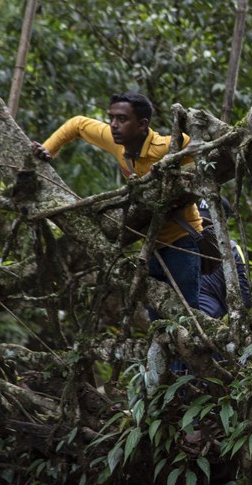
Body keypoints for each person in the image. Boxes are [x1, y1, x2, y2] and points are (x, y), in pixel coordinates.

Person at [31, 93, 202, 317]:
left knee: (186, 315)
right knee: (157, 319)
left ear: (142, 124)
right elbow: (78, 124)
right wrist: (48, 149)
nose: (113, 125)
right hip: (150, 245)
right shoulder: (117, 143)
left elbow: (200, 155)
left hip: (182, 242)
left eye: (122, 119)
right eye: (111, 118)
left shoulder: (166, 147)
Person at [197, 198, 252, 318]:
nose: (203, 228)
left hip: (203, 313)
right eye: (201, 222)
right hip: (211, 313)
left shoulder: (180, 242)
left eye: (207, 223)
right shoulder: (231, 248)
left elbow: (244, 296)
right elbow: (245, 298)